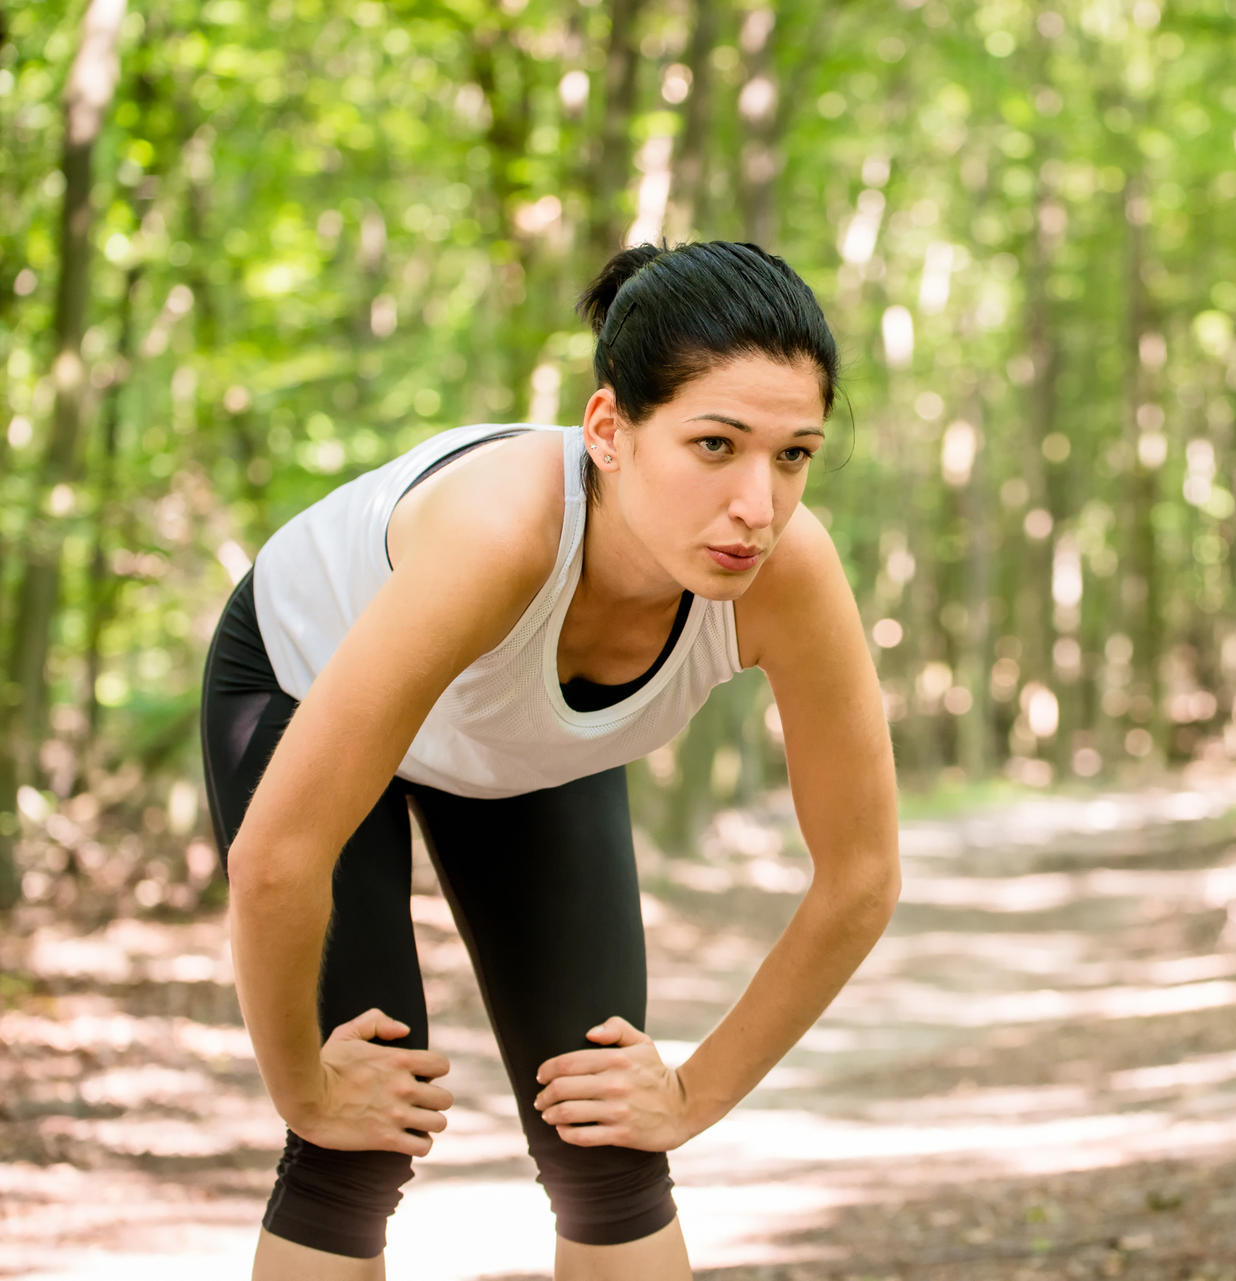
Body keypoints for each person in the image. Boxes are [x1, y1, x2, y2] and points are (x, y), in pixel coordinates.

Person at [197, 241, 900, 1280]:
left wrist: (692, 1094)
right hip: (306, 680)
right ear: (609, 431)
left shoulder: (788, 573)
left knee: (607, 1125)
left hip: (520, 739)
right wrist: (303, 1089)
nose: (760, 503)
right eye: (716, 445)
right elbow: (277, 862)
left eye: (794, 454)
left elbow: (860, 877)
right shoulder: (500, 535)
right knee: (356, 1137)